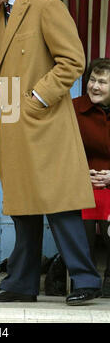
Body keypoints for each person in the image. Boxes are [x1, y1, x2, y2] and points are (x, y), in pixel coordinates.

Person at [0, 0, 102, 305]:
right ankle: (20, 284)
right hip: (16, 120)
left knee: (60, 202)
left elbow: (73, 60)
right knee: (23, 206)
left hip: (45, 119)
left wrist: (37, 99)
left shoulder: (44, 4)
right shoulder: (4, 14)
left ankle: (86, 280)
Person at [73, 58, 110, 298]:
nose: (94, 87)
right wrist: (79, 172)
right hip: (81, 182)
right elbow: (60, 149)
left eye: (103, 82)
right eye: (92, 80)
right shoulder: (74, 108)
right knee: (80, 223)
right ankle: (83, 280)